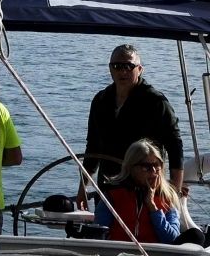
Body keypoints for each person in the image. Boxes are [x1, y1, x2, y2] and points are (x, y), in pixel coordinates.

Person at [76, 44, 183, 210]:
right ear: (110, 69)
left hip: (146, 188)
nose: (122, 71)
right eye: (117, 66)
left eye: (128, 66)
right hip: (108, 188)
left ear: (139, 69)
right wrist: (83, 188)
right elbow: (93, 148)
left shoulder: (156, 102)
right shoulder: (100, 100)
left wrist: (174, 191)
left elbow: (175, 147)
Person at [93, 139, 202, 245]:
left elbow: (171, 239)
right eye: (146, 167)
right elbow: (99, 233)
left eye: (157, 165)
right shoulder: (113, 194)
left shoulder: (167, 197)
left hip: (155, 253)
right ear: (131, 168)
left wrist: (154, 209)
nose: (154, 171)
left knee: (197, 235)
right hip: (119, 251)